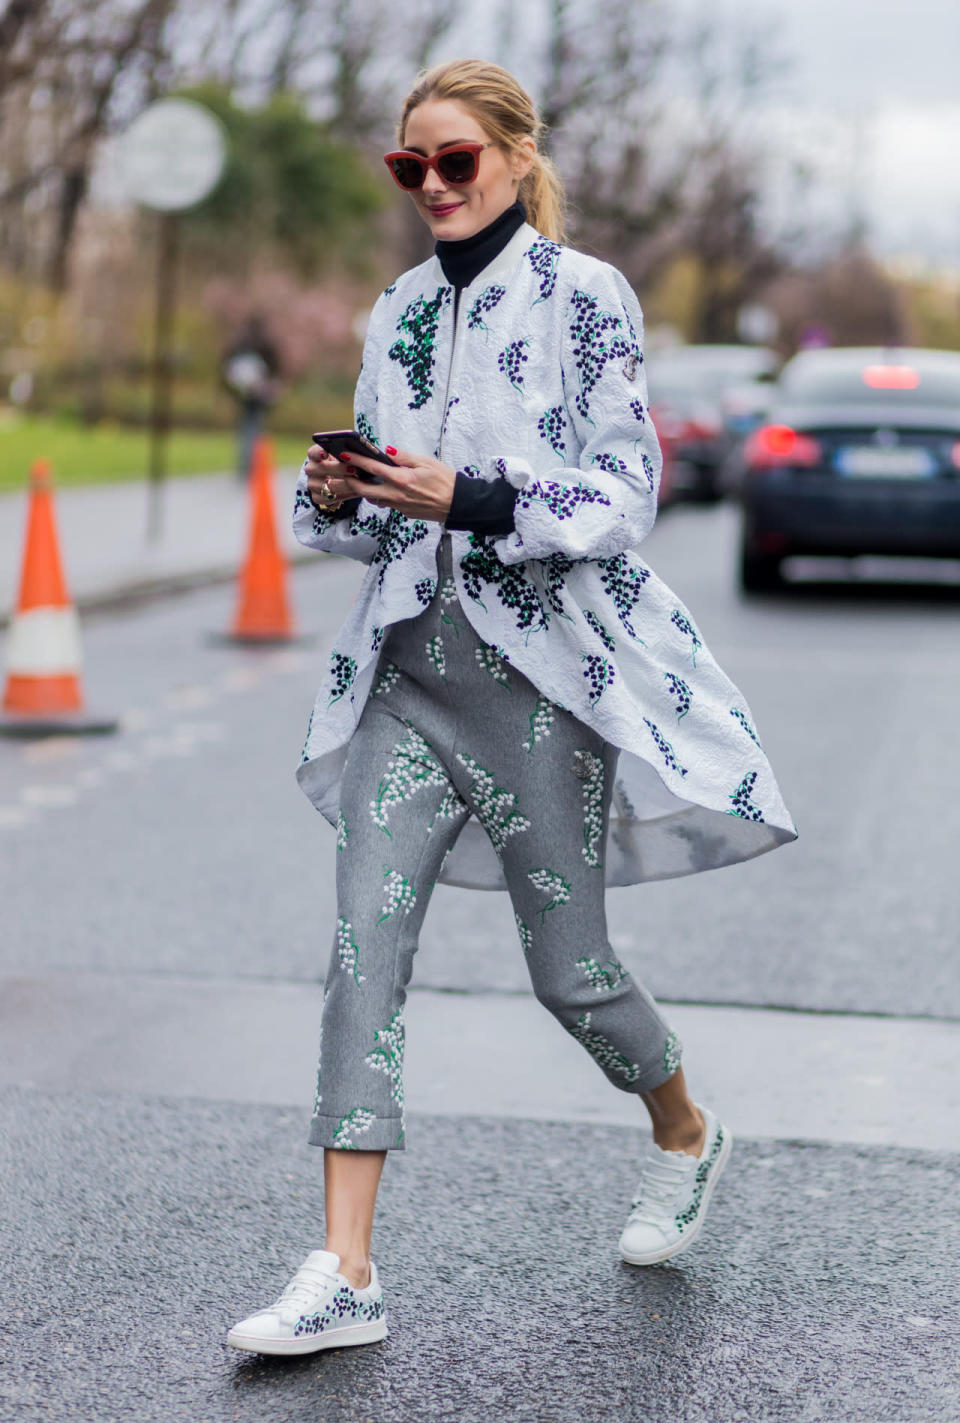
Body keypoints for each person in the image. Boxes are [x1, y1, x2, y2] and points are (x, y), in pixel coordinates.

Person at [226, 59, 797, 1357]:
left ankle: (686, 1132)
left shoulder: (587, 296)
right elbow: (381, 523)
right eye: (408, 166)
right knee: (362, 948)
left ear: (514, 157)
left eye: (455, 161)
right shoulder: (396, 311)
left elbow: (622, 491)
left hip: (539, 690)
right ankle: (347, 1265)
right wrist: (337, 497)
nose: (431, 184)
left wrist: (472, 497)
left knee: (573, 974)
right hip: (406, 681)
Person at [220, 314, 282, 480]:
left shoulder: (239, 342)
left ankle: (245, 463)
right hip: (258, 394)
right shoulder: (264, 342)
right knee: (256, 428)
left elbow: (227, 365)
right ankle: (253, 464)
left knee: (245, 428)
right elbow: (275, 365)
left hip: (243, 394)